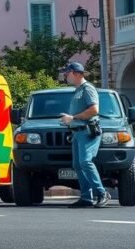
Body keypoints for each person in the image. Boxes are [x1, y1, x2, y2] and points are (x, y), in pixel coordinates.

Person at [59, 62, 109, 208]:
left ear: (76, 73)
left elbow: (94, 110)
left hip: (87, 131)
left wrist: (73, 118)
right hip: (77, 132)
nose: (65, 76)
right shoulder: (78, 90)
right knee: (78, 165)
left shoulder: (88, 89)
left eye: (67, 73)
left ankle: (102, 192)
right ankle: (87, 197)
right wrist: (69, 121)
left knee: (86, 162)